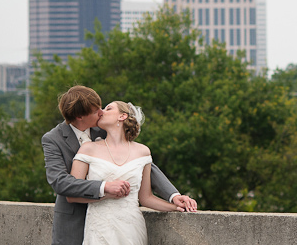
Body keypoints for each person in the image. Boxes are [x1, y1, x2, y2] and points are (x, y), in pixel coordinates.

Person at [42, 86, 197, 245]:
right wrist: (105, 188)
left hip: (128, 225)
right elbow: (60, 182)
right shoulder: (53, 139)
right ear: (80, 116)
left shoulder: (104, 127)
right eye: (96, 110)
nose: (101, 112)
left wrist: (174, 196)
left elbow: (141, 166)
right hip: (74, 222)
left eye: (103, 108)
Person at [67, 101, 178, 244]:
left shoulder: (143, 152)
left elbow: (146, 198)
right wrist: (106, 193)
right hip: (99, 229)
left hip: (132, 229)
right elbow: (71, 194)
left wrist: (177, 207)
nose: (101, 111)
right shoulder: (88, 149)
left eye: (108, 108)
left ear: (122, 116)